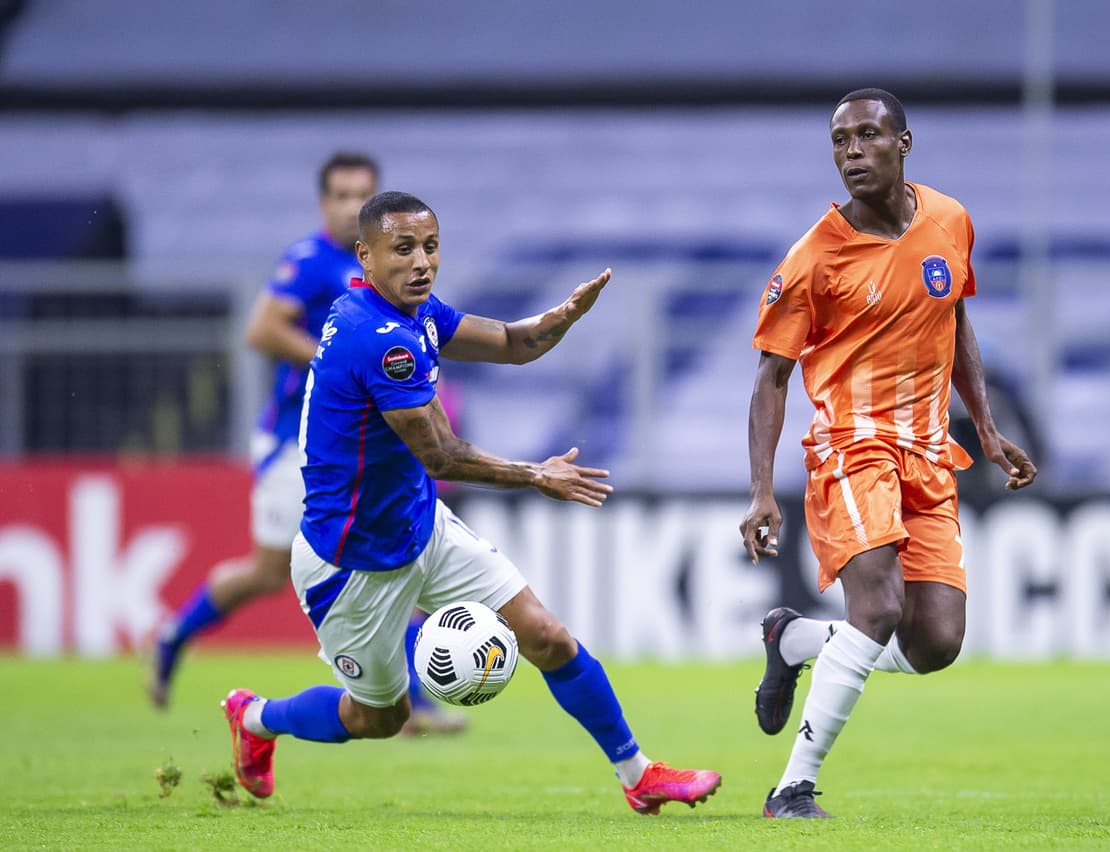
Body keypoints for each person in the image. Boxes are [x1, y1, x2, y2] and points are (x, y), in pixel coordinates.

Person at [220, 191, 721, 814]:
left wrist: (563, 315)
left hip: (420, 526)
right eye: (403, 249)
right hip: (352, 564)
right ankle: (257, 718)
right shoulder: (380, 341)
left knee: (546, 636)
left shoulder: (411, 313)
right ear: (366, 255)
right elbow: (441, 456)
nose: (422, 262)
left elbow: (513, 341)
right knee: (381, 716)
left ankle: (638, 776)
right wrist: (536, 475)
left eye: (430, 247)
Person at [739, 89, 1036, 819]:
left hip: (931, 454)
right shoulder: (815, 258)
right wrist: (759, 491)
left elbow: (955, 321)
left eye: (868, 136)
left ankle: (796, 638)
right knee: (877, 608)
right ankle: (792, 788)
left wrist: (987, 432)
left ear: (904, 143)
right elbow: (771, 376)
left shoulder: (949, 221)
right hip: (852, 447)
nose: (851, 153)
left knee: (936, 640)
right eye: (840, 141)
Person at [149, 152, 465, 734]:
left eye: (360, 195)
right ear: (323, 204)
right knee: (268, 573)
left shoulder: (392, 272)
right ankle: (174, 635)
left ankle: (413, 701)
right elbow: (261, 329)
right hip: (297, 442)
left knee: (401, 547)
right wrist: (339, 360)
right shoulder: (309, 262)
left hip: (360, 446)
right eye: (340, 196)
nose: (350, 207)